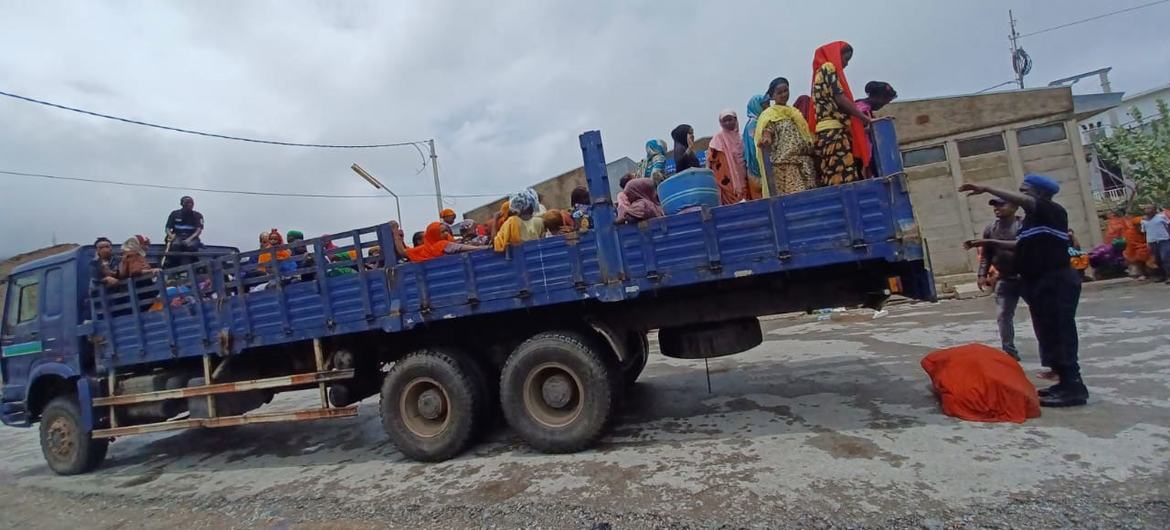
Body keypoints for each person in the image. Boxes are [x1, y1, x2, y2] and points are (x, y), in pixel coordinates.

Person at [960, 174, 1088, 407]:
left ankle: (1074, 387)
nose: (1021, 196)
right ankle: (1062, 381)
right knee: (1048, 332)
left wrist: (987, 186)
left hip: (1055, 280)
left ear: (1040, 194)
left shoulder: (1052, 210)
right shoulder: (1032, 221)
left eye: (1025, 191)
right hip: (1038, 282)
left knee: (1060, 331)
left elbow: (1027, 203)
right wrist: (989, 244)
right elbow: (1021, 245)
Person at [807, 41, 872, 187]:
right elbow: (840, 99)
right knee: (844, 178)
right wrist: (866, 119)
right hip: (833, 134)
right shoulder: (828, 68)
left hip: (825, 135)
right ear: (836, 55)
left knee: (832, 177)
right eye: (845, 59)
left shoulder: (819, 72)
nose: (846, 64)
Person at [975, 198, 1023, 361]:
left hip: (1028, 277)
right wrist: (982, 274)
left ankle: (1051, 354)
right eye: (994, 205)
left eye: (1001, 204)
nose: (997, 208)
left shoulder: (1024, 225)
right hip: (1005, 278)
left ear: (1015, 207)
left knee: (1040, 315)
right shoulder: (990, 228)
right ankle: (1009, 352)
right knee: (1003, 315)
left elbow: (1023, 245)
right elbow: (986, 255)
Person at [755, 77, 815, 197]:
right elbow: (767, 130)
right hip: (786, 167)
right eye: (779, 92)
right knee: (798, 200)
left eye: (785, 91)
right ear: (773, 96)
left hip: (804, 163)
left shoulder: (794, 113)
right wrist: (766, 139)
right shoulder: (770, 114)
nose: (783, 95)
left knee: (811, 200)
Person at [707, 109, 748, 205]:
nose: (727, 123)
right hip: (727, 182)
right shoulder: (718, 139)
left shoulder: (740, 138)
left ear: (735, 120)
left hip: (743, 176)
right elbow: (712, 160)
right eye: (724, 121)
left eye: (730, 119)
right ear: (720, 123)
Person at [395, 221, 486, 262]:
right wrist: (482, 248)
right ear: (434, 234)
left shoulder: (424, 249)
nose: (446, 234)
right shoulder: (441, 244)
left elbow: (402, 252)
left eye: (446, 231)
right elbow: (460, 247)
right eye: (442, 232)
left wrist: (395, 233)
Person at [742, 94, 769, 200]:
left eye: (768, 104)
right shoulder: (754, 124)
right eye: (764, 105)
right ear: (756, 106)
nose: (767, 107)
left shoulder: (759, 122)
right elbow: (754, 150)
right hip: (758, 171)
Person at [164, 196, 204, 268]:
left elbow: (199, 230)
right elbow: (167, 228)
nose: (190, 205)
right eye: (187, 203)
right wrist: (171, 236)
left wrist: (189, 239)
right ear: (182, 204)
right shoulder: (174, 214)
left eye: (191, 203)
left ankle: (190, 266)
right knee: (176, 245)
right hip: (177, 236)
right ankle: (173, 265)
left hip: (192, 237)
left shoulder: (198, 215)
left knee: (190, 246)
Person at [1139, 204, 1170, 283]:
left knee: (1165, 258)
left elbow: (1168, 225)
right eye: (1146, 208)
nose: (1147, 210)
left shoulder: (1161, 217)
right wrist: (1147, 242)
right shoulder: (1143, 220)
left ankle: (1168, 276)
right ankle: (1161, 276)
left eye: (1149, 208)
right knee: (1157, 259)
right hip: (1152, 242)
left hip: (1164, 240)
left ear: (1154, 210)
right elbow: (1144, 232)